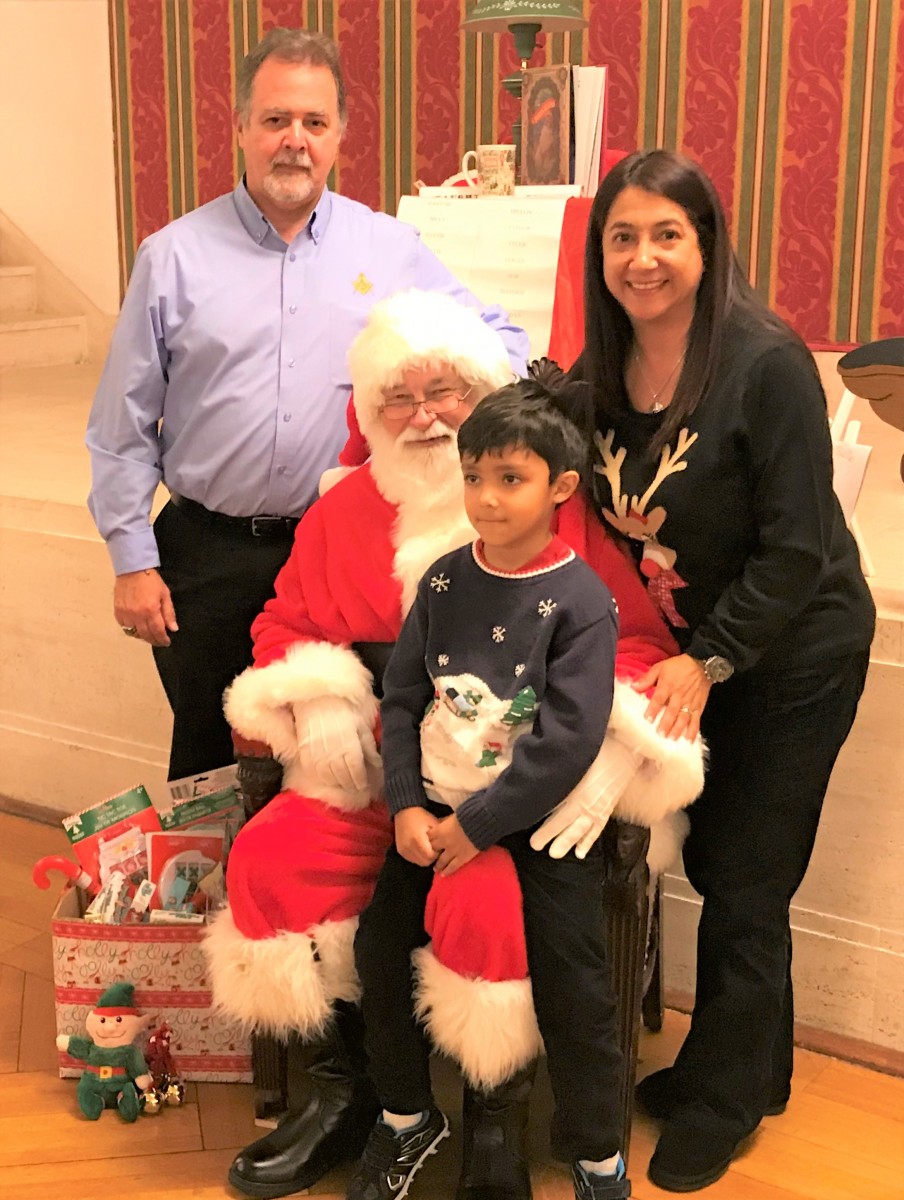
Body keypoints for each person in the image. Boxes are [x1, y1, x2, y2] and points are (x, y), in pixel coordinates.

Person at [206, 289, 704, 1200]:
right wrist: (319, 699)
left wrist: (603, 756)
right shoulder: (342, 514)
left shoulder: (559, 525)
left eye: (447, 391)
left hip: (512, 796)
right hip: (384, 777)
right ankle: (353, 1089)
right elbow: (284, 625)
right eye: (399, 397)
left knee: (488, 904)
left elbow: (635, 646)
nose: (425, 414)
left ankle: (494, 1113)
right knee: (270, 858)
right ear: (370, 414)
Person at [85, 26, 527, 782]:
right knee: (210, 758)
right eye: (276, 119)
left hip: (340, 552)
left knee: (343, 762)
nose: (295, 140)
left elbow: (497, 336)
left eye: (314, 122)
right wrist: (132, 560)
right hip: (207, 557)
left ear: (339, 136)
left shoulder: (387, 249)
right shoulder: (172, 258)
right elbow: (120, 428)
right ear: (241, 129)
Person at [568, 149, 875, 1193]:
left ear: (706, 245)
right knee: (724, 865)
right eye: (622, 236)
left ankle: (725, 1102)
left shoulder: (765, 362)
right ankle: (748, 1069)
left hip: (792, 651)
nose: (642, 258)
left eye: (667, 234)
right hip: (699, 655)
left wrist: (709, 659)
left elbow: (797, 549)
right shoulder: (607, 360)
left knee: (747, 876)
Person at [348, 380, 633, 1200]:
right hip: (432, 810)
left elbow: (569, 738)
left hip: (533, 823)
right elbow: (402, 697)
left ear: (561, 487)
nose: (487, 497)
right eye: (474, 476)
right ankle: (407, 1116)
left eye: (511, 479)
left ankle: (597, 1155)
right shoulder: (443, 580)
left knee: (576, 983)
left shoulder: (582, 601)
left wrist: (480, 824)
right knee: (378, 950)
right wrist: (407, 802)